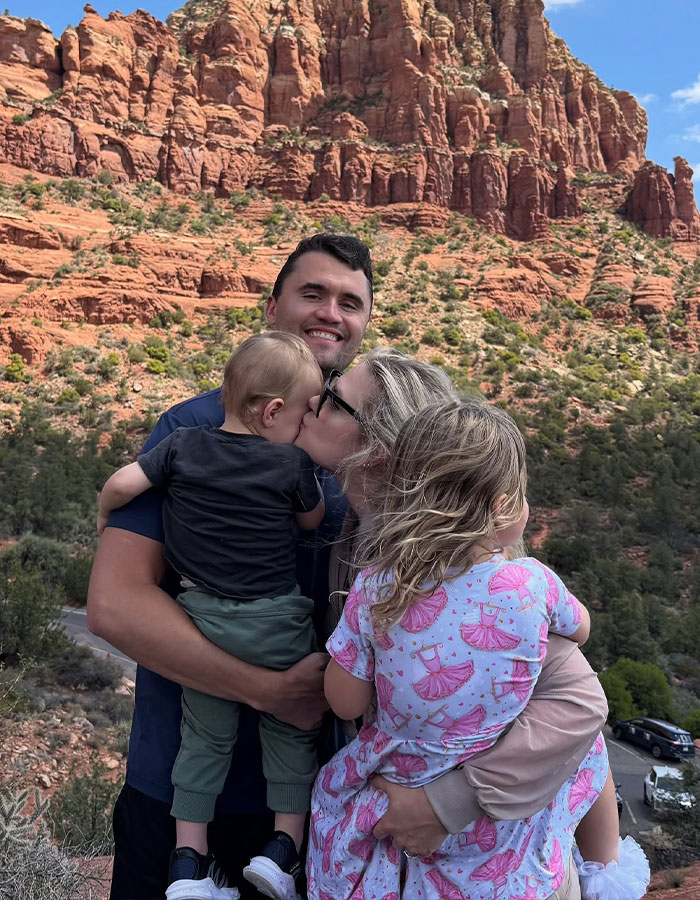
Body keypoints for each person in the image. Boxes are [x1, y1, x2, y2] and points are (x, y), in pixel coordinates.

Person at [88, 235, 607, 900]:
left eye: (351, 302)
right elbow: (112, 605)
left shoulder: (430, 507)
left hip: (330, 807)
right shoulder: (193, 432)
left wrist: (451, 801)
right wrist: (269, 689)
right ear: (272, 305)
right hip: (187, 786)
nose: (331, 312)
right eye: (312, 293)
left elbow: (568, 694)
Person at [303, 399, 649, 900]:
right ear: (504, 506)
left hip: (401, 792)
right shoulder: (531, 584)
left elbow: (346, 702)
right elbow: (582, 630)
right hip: (503, 833)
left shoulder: (377, 587)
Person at [97, 332, 327, 900]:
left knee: (202, 740)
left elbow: (123, 483)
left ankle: (188, 866)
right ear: (275, 411)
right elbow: (310, 521)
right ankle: (283, 851)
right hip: (277, 621)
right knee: (292, 734)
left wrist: (104, 518)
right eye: (301, 415)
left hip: (202, 620)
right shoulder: (293, 461)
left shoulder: (182, 443)